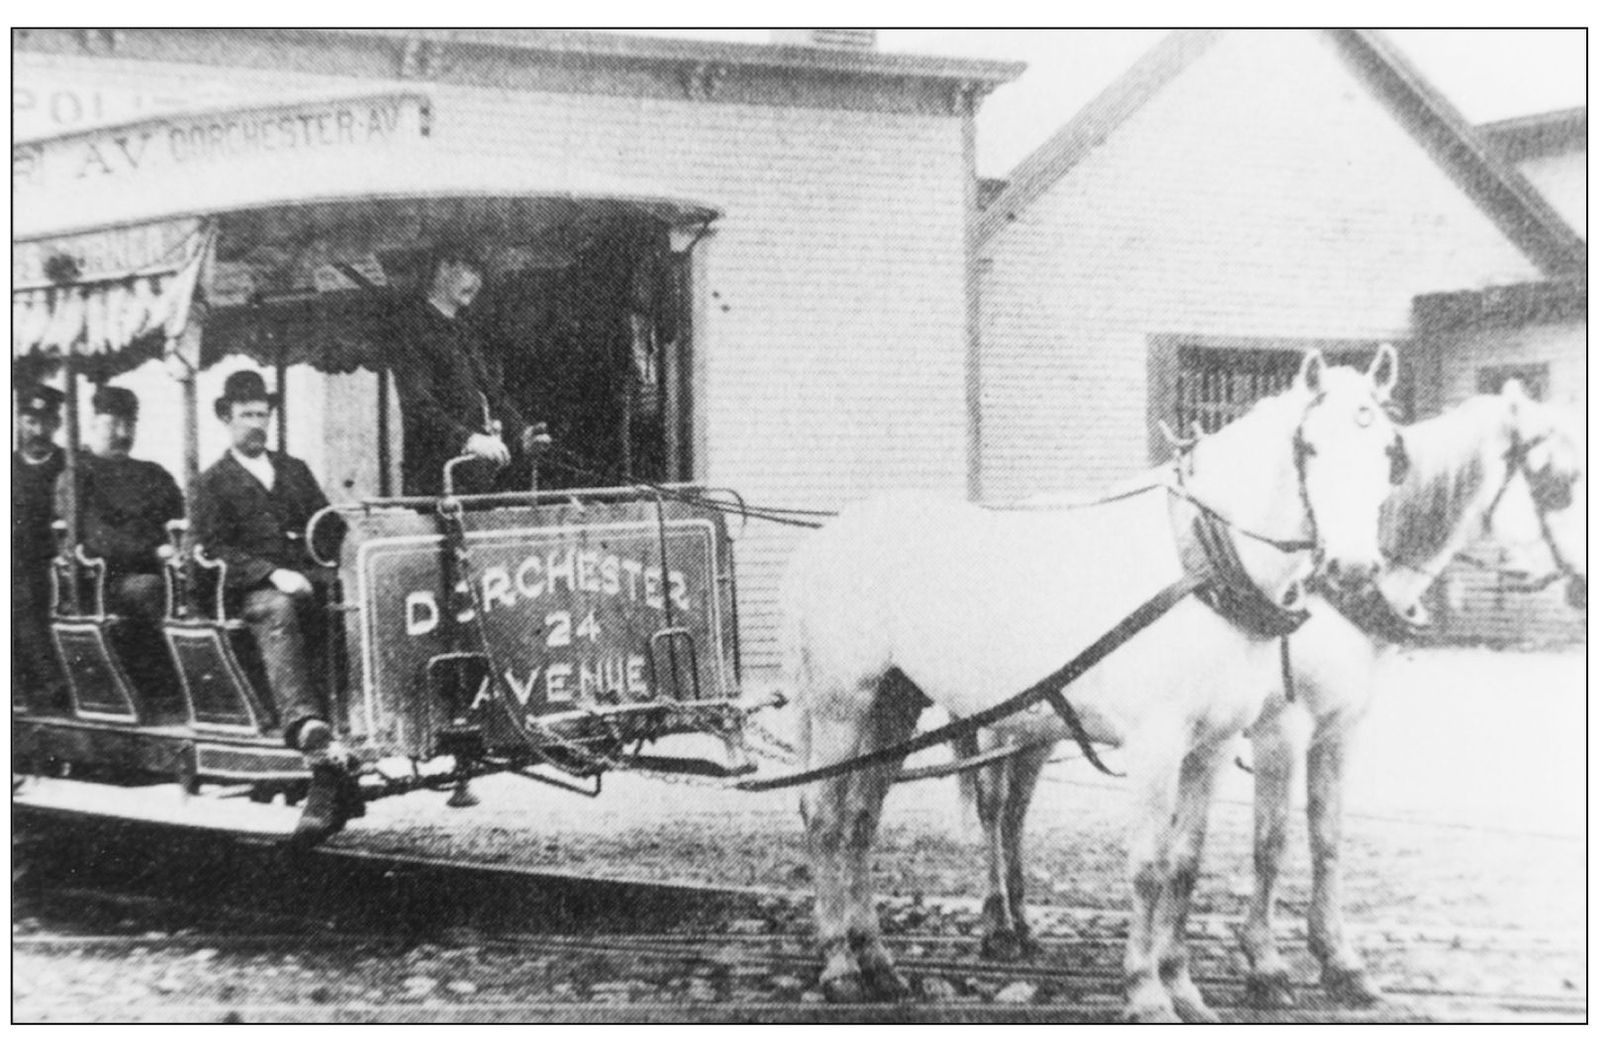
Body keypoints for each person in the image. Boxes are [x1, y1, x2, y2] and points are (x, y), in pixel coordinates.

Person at [190, 370, 356, 841]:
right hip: (247, 592)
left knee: (348, 596)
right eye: (246, 415)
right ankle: (305, 725)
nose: (256, 424)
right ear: (226, 418)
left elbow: (328, 526)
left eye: (262, 414)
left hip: (302, 577)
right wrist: (270, 572)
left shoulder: (294, 469)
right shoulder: (212, 483)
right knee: (278, 608)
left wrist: (322, 559)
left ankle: (352, 709)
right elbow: (210, 550)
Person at [54, 385, 185, 701]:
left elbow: (181, 517)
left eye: (130, 424)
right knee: (150, 590)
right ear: (93, 424)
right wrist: (155, 550)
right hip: (105, 582)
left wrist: (181, 549)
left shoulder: (153, 474)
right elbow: (98, 539)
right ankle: (172, 689)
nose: (123, 433)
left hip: (162, 571)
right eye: (113, 424)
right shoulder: (76, 476)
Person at [388, 246, 528, 496]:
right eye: (470, 270)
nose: (476, 282)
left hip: (476, 475)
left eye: (480, 275)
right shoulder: (413, 329)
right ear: (443, 269)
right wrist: (468, 440)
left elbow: (490, 393)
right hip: (438, 479)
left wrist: (522, 432)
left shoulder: (463, 331)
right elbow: (418, 404)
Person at [12, 383, 68, 710]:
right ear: (19, 421)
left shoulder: (68, 464)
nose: (38, 430)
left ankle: (51, 686)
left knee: (26, 590)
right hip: (16, 559)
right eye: (30, 421)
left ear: (57, 424)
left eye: (45, 422)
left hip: (53, 558)